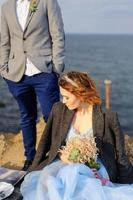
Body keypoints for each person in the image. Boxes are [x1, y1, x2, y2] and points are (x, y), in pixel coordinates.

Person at [20, 71, 133, 200]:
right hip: (62, 162)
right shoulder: (59, 109)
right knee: (48, 181)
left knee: (77, 182)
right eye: (62, 96)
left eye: (67, 97)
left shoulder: (108, 117)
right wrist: (34, 168)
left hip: (95, 167)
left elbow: (120, 154)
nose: (63, 101)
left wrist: (127, 182)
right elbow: (44, 143)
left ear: (80, 94)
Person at [0, 0, 65, 170]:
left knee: (52, 117)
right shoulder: (6, 7)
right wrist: (3, 69)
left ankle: (55, 156)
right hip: (17, 75)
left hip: (44, 72)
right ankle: (30, 158)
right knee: (26, 116)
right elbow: (4, 41)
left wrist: (56, 68)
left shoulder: (47, 2)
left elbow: (57, 34)